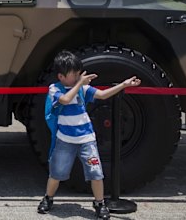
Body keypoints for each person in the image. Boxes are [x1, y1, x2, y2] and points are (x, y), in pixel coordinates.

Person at [37, 50, 141, 219]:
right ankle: (48, 198)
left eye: (78, 73)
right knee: (56, 173)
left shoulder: (82, 88)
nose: (78, 76)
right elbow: (64, 100)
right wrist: (80, 84)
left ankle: (99, 203)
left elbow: (102, 95)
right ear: (61, 76)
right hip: (64, 140)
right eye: (74, 74)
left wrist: (123, 85)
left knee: (96, 173)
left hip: (87, 139)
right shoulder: (55, 88)